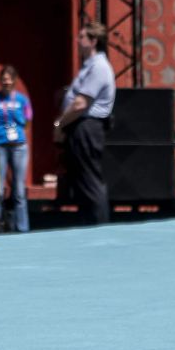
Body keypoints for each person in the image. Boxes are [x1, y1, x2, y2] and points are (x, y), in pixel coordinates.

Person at [56, 22, 116, 225]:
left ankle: (98, 228)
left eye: (81, 37)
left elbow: (81, 103)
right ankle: (88, 224)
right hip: (80, 127)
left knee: (90, 181)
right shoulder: (89, 67)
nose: (77, 41)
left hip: (87, 127)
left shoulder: (99, 67)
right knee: (81, 181)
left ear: (93, 41)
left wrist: (59, 124)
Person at [0, 67, 33, 234]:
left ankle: (22, 227)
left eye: (10, 79)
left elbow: (28, 119)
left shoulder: (22, 100)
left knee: (18, 189)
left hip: (18, 146)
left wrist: (19, 130)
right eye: (4, 79)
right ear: (0, 80)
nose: (7, 82)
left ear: (15, 80)